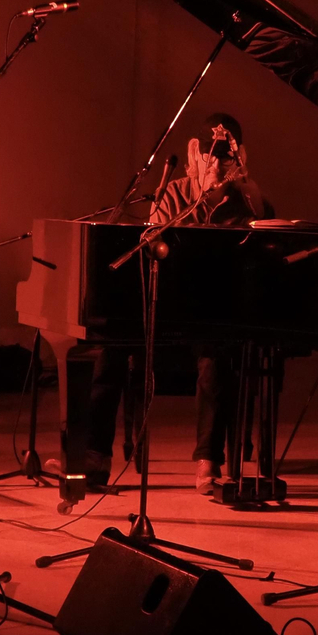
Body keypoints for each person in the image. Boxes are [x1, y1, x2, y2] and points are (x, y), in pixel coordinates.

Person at [79, 113, 272, 494]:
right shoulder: (173, 193)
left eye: (225, 157)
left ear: (239, 159)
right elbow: (153, 248)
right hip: (163, 307)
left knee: (215, 356)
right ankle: (94, 457)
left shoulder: (249, 200)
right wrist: (201, 200)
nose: (216, 165)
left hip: (214, 312)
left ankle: (208, 461)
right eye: (209, 156)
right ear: (194, 157)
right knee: (110, 348)